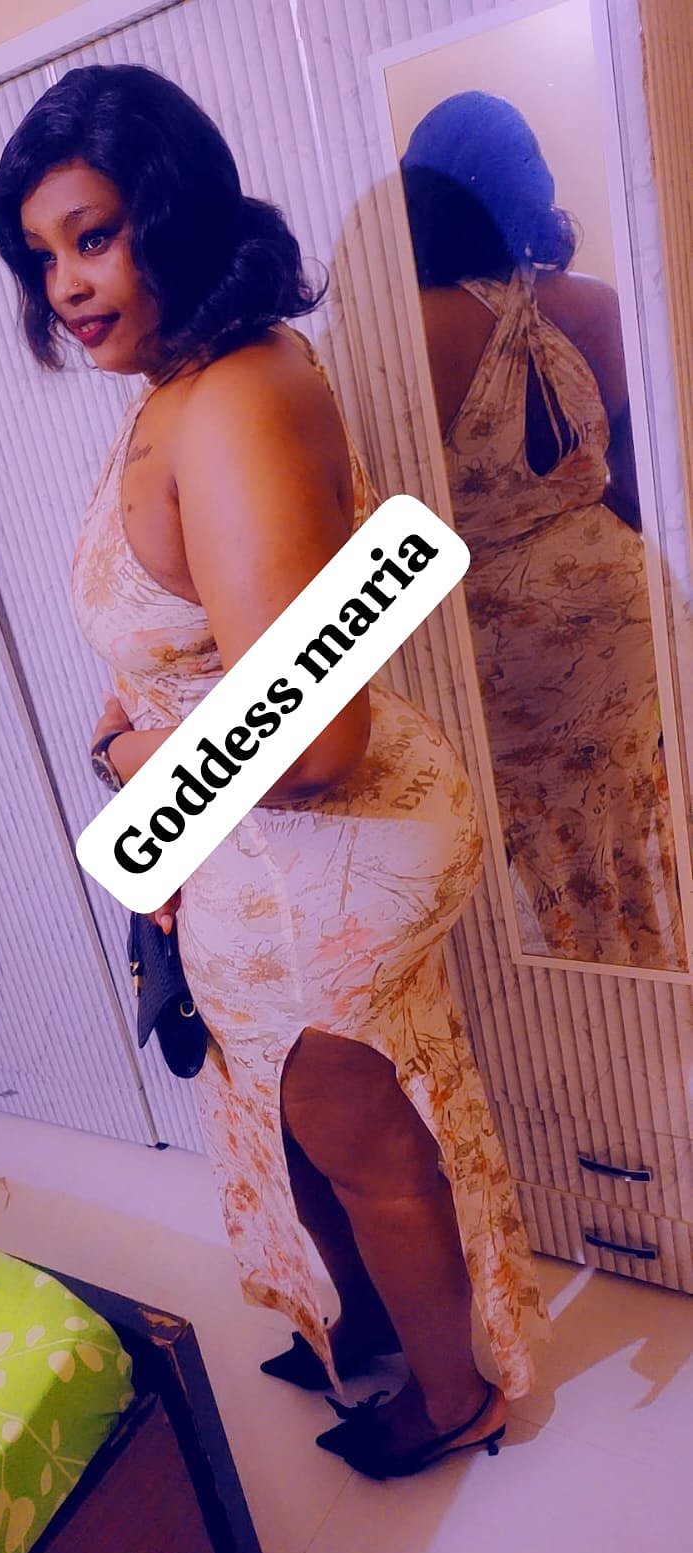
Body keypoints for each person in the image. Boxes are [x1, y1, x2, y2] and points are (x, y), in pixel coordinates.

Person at [0, 63, 550, 1480]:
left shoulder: (231, 398)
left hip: (315, 842)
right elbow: (225, 643)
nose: (64, 284)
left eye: (93, 235)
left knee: (357, 1132)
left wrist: (126, 752)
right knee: (304, 1104)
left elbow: (312, 737)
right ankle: (370, 1322)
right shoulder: (194, 378)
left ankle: (451, 1397)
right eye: (41, 253)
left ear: (172, 214)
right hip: (269, 832)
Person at [401, 91, 685, 971]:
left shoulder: (410, 330)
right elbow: (636, 485)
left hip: (493, 649)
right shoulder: (593, 305)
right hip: (620, 619)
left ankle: (590, 1020)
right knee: (636, 838)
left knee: (541, 866)